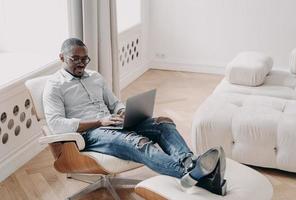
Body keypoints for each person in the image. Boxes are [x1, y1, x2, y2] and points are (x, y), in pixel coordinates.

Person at [43, 38, 226, 194]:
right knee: (138, 142)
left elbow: (114, 103)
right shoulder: (54, 86)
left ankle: (188, 161)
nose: (82, 64)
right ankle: (200, 177)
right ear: (61, 57)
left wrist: (123, 112)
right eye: (75, 59)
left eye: (85, 59)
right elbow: (56, 124)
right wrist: (100, 121)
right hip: (92, 133)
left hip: (113, 122)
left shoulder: (95, 77)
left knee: (163, 124)